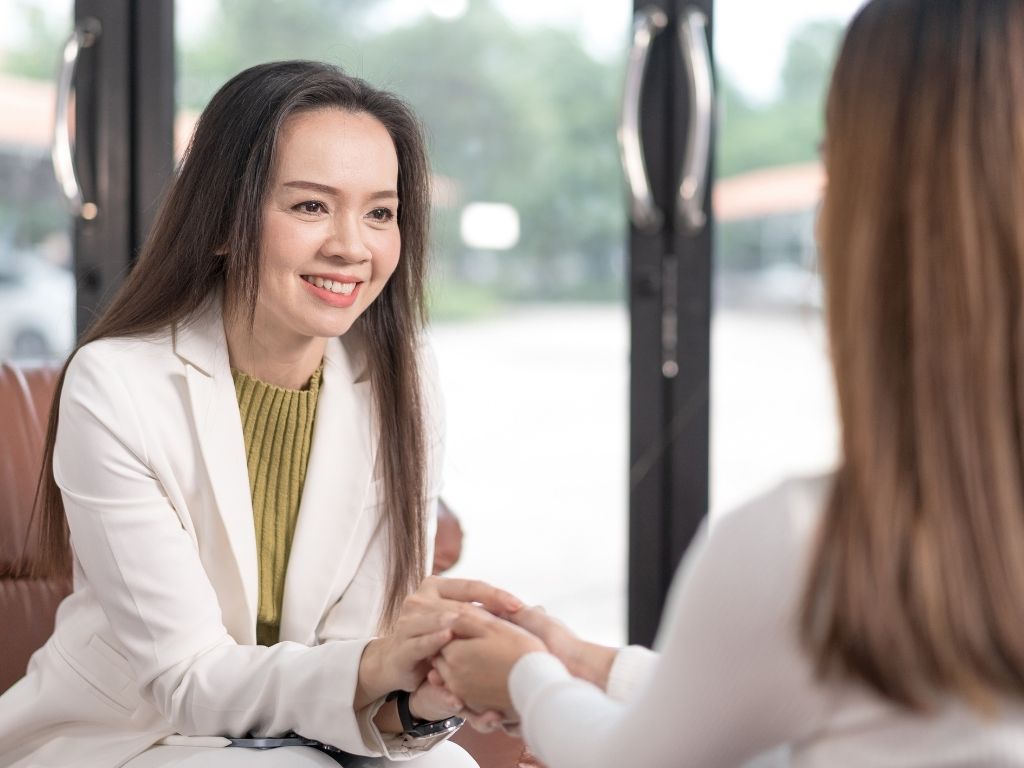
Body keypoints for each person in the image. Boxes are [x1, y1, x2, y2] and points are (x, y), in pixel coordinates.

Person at [431, 1, 1024, 765]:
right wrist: (591, 666)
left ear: (881, 221)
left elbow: (637, 762)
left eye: (833, 166)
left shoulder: (814, 547)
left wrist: (528, 683)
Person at [0, 61, 519, 767]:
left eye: (380, 212)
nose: (352, 246)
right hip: (128, 735)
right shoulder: (116, 384)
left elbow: (362, 645)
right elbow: (188, 679)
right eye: (310, 206)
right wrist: (373, 670)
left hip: (300, 731)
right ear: (221, 223)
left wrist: (422, 695)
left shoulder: (404, 379)